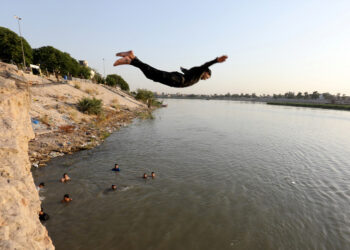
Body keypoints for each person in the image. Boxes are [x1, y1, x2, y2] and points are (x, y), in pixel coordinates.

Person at [113, 51, 228, 88]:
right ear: (206, 72)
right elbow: (205, 65)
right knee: (153, 73)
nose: (206, 79)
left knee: (151, 75)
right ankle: (132, 59)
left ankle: (132, 59)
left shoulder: (194, 73)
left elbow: (187, 72)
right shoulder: (200, 71)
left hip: (176, 79)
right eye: (208, 77)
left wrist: (183, 69)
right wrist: (216, 61)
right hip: (177, 79)